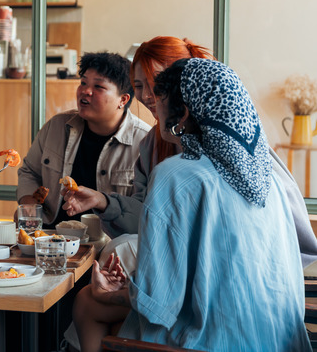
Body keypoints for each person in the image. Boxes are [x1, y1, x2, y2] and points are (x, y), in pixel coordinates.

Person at [78, 58, 311, 351]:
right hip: (282, 340)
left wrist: (108, 293)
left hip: (212, 341)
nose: (153, 108)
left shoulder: (176, 175)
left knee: (88, 302)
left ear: (183, 114)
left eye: (159, 100)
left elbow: (159, 304)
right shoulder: (269, 177)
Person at [62, 36, 317, 267]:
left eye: (157, 85)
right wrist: (103, 201)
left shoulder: (233, 148)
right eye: (139, 85)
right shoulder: (153, 143)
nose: (148, 96)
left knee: (112, 264)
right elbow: (149, 216)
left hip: (236, 263)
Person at [17, 52, 150, 227]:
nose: (85, 91)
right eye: (83, 83)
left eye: (99, 87)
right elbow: (29, 172)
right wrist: (29, 203)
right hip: (50, 234)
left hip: (107, 241)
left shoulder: (145, 142)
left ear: (123, 99)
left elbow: (145, 210)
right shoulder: (56, 126)